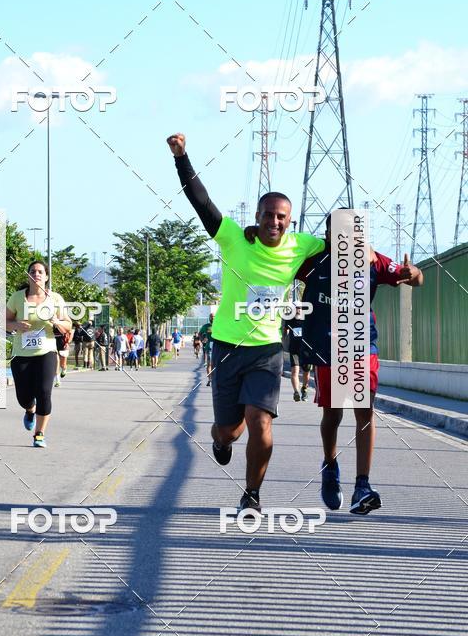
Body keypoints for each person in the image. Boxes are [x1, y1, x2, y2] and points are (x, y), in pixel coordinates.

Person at [167, 132, 325, 513]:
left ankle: (252, 494)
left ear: (290, 221)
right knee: (231, 429)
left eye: (281, 217)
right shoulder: (235, 239)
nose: (274, 221)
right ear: (256, 217)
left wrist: (370, 251)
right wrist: (181, 157)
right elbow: (201, 202)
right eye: (268, 215)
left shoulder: (302, 245)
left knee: (261, 423)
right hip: (226, 347)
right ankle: (220, 441)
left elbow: (342, 245)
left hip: (267, 351)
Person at [294, 214, 424, 514]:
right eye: (338, 231)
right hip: (329, 347)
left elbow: (416, 279)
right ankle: (329, 466)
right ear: (327, 234)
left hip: (364, 346)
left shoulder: (373, 260)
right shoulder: (313, 261)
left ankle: (362, 485)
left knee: (364, 412)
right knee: (333, 414)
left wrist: (412, 271)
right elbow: (276, 256)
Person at [6, 260, 72, 448]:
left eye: (40, 271)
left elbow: (68, 325)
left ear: (46, 277)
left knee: (44, 393)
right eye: (33, 271)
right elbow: (4, 321)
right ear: (28, 276)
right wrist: (16, 325)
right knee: (23, 397)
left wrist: (57, 322)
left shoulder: (55, 299)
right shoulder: (17, 297)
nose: (37, 274)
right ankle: (29, 410)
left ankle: (39, 434)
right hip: (21, 353)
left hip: (47, 351)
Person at [283, 308, 311, 401]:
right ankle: (296, 392)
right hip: (294, 350)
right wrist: (283, 337)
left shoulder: (307, 319)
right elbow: (285, 331)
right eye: (296, 308)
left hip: (305, 350)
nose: (298, 310)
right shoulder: (290, 319)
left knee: (306, 372)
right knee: (295, 371)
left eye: (300, 308)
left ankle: (304, 389)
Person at [198, 312, 214, 385]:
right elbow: (200, 333)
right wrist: (202, 339)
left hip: (218, 347)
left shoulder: (219, 325)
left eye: (213, 316)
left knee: (217, 364)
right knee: (209, 364)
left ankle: (215, 378)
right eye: (211, 316)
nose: (212, 318)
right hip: (209, 347)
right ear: (209, 318)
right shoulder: (206, 326)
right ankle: (210, 379)